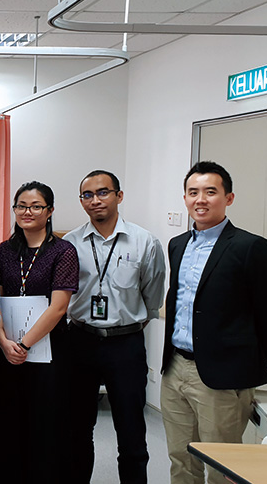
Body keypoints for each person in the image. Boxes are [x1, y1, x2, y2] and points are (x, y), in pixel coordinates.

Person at [161, 161, 267, 484]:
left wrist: (251, 364)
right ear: (185, 198)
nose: (200, 199)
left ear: (228, 198)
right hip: (175, 368)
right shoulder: (178, 244)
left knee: (223, 466)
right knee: (180, 458)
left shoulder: (250, 247)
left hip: (222, 377)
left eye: (210, 192)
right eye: (193, 192)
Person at [64, 170, 166, 484]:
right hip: (80, 341)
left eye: (103, 192)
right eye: (88, 195)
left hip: (125, 345)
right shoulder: (69, 244)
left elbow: (152, 296)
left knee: (131, 432)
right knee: (77, 431)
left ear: (119, 196)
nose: (95, 200)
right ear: (81, 201)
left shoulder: (144, 241)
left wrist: (127, 323)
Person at [0, 181, 78, 484]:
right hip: (7, 351)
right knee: (6, 422)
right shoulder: (4, 250)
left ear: (49, 211)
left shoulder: (63, 251)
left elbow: (58, 307)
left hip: (48, 353)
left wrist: (23, 344)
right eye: (22, 206)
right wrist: (2, 341)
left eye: (36, 206)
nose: (28, 212)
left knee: (45, 423)